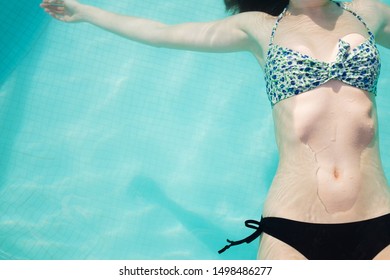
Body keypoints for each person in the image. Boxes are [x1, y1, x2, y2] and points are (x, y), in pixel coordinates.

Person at [40, 0, 390, 260]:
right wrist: (86, 12)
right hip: (293, 224)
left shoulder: (366, 13)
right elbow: (162, 34)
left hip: (379, 218)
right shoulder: (259, 27)